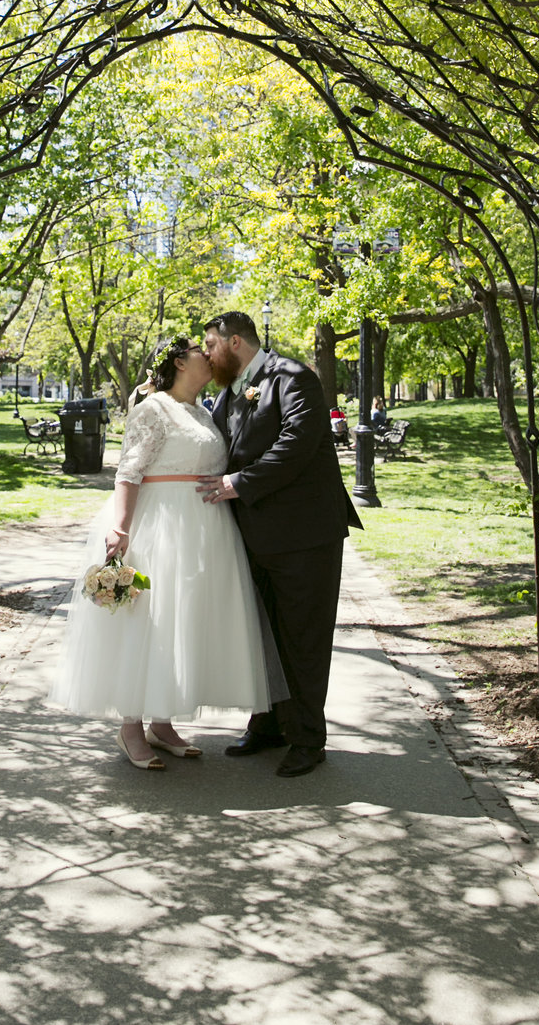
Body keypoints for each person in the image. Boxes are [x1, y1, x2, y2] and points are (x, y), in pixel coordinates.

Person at [49, 335, 280, 770]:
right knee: (148, 622)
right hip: (160, 525)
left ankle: (163, 722)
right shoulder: (151, 409)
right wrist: (121, 527)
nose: (209, 356)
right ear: (178, 361)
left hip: (205, 528)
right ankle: (131, 727)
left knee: (183, 621)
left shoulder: (204, 412)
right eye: (200, 351)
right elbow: (128, 470)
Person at [200, 311, 362, 778]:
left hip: (305, 536)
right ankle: (267, 724)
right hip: (252, 538)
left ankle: (309, 738)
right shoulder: (228, 393)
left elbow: (296, 443)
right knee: (262, 635)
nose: (207, 355)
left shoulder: (293, 377)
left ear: (234, 343)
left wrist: (238, 483)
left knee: (303, 639)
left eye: (210, 345)